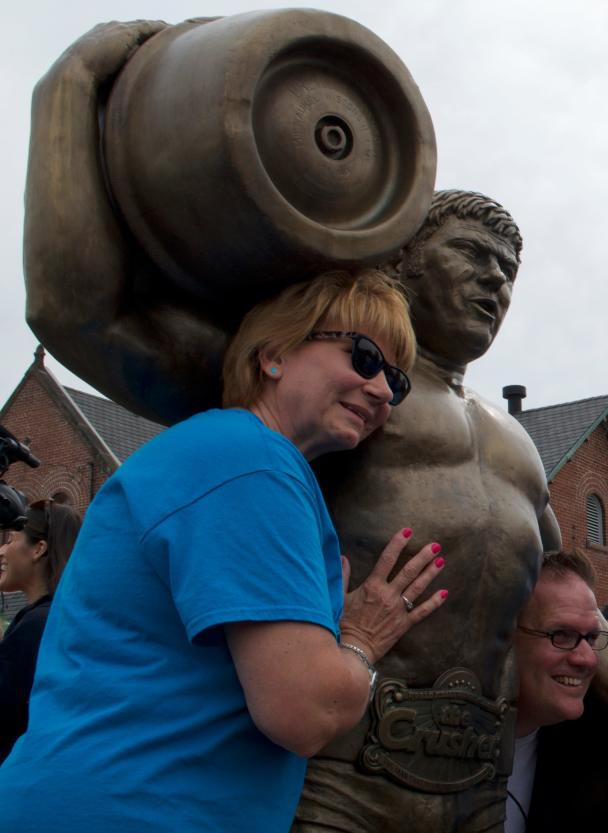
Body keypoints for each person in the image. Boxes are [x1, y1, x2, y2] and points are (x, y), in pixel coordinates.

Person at [0, 270, 448, 832]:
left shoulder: (222, 454)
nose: (382, 389)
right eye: (362, 356)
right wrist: (360, 641)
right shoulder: (251, 463)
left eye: (395, 381)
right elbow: (304, 712)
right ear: (274, 355)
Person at [297, 190, 608, 832]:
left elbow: (566, 597)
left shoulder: (517, 444)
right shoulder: (349, 396)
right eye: (471, 253)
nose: (495, 278)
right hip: (340, 778)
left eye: (508, 270)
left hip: (477, 789)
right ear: (402, 261)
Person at [507, 549, 608, 833]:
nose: (588, 659)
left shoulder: (603, 749)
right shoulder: (424, 738)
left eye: (591, 637)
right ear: (506, 636)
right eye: (561, 635)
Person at [0, 499, 81, 762]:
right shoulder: (61, 617)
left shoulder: (37, 625)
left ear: (39, 549)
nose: (2, 550)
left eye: (11, 539)